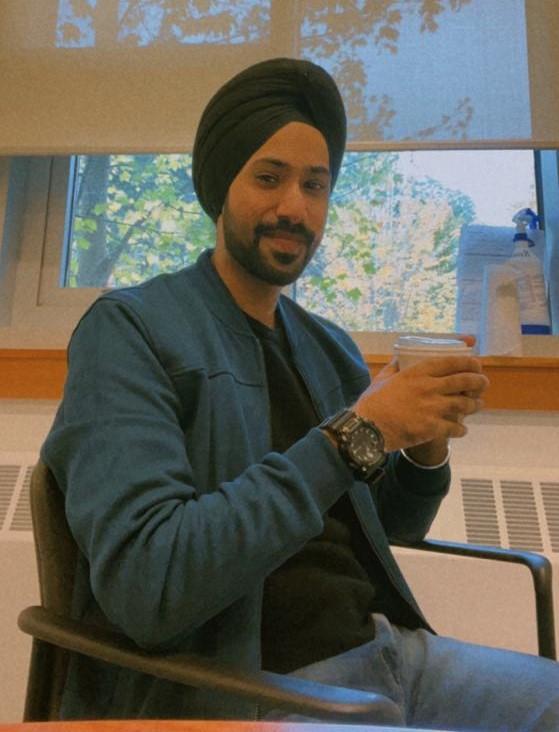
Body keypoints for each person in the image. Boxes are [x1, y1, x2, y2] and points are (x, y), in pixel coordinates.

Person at [42, 58, 558, 729]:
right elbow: (151, 586)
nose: (294, 206)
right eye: (268, 177)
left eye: (315, 185)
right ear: (218, 184)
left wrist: (421, 446)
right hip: (246, 688)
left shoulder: (327, 347)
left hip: (388, 655)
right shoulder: (131, 331)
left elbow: (381, 528)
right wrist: (354, 435)